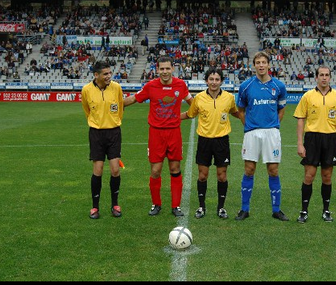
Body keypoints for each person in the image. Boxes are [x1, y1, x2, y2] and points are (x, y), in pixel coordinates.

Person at [123, 56, 193, 217]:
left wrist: (187, 115)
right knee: (156, 170)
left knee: (175, 168)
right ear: (157, 69)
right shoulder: (151, 85)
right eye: (162, 69)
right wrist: (116, 105)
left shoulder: (180, 85)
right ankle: (156, 204)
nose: (165, 72)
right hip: (156, 133)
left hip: (174, 132)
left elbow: (193, 103)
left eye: (167, 68)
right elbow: (134, 98)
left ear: (172, 69)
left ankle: (176, 206)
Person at [293, 65, 336, 223]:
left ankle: (326, 211)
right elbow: (300, 120)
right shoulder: (308, 96)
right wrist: (300, 143)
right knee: (309, 176)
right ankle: (304, 211)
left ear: (330, 77)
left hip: (331, 139)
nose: (324, 77)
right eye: (321, 75)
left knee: (327, 177)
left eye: (327, 75)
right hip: (312, 139)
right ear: (316, 77)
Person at [235, 50, 289, 222]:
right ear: (253, 65)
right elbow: (240, 111)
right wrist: (249, 126)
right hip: (252, 133)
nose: (261, 65)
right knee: (249, 169)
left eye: (263, 62)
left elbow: (281, 109)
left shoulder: (279, 86)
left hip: (272, 133)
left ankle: (276, 210)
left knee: (273, 171)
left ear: (268, 64)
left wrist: (273, 125)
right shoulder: (246, 86)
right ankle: (244, 209)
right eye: (257, 62)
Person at [181, 67, 240, 219]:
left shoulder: (229, 98)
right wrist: (172, 117)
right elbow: (190, 114)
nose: (214, 82)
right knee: (202, 175)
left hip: (222, 141)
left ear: (221, 81)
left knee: (222, 176)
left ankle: (221, 208)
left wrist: (252, 119)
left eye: (217, 79)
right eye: (211, 79)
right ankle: (201, 207)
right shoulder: (199, 98)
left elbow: (235, 112)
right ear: (206, 81)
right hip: (204, 141)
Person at [81, 61, 124, 219]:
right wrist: (97, 123)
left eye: (109, 73)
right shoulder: (86, 90)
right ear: (96, 75)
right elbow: (86, 110)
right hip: (96, 134)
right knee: (97, 170)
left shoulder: (117, 88)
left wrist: (113, 123)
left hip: (113, 133)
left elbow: (119, 108)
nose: (109, 76)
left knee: (115, 170)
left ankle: (115, 204)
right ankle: (95, 207)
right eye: (105, 74)